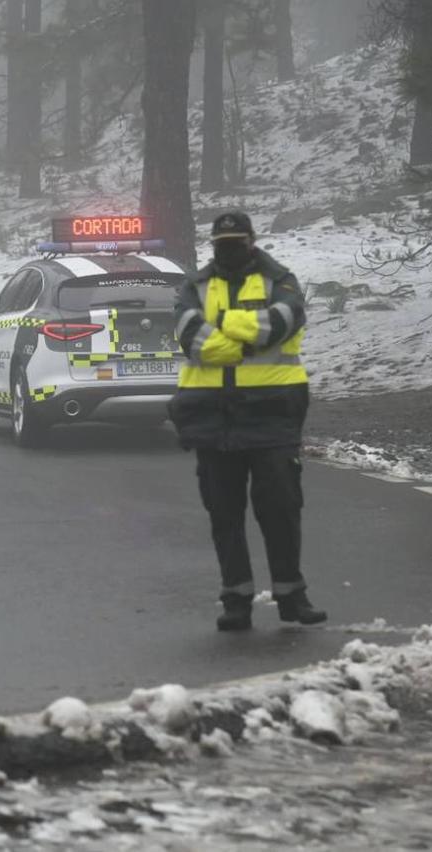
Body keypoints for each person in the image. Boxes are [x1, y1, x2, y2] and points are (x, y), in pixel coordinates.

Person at [168, 211, 327, 631]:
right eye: (223, 242)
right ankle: (235, 600)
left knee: (281, 510)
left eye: (237, 241)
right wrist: (245, 337)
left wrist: (223, 325)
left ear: (252, 241)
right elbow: (191, 338)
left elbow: (282, 322)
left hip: (272, 411)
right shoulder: (194, 286)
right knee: (224, 513)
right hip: (211, 415)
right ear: (213, 244)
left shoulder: (282, 280)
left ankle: (292, 595)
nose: (230, 249)